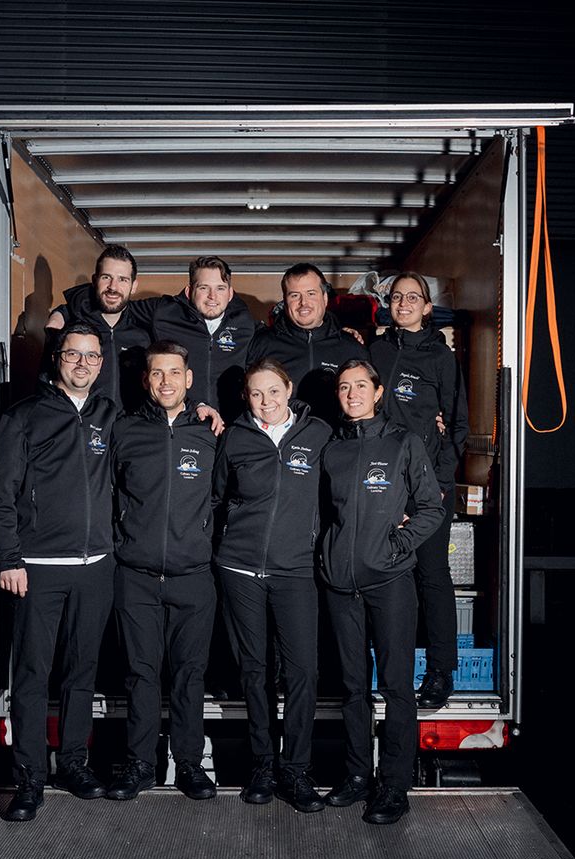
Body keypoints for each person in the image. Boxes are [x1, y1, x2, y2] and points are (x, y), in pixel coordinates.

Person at [0, 324, 119, 822]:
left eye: (91, 356)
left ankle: (76, 767)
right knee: (32, 676)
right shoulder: (23, 417)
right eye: (73, 355)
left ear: (101, 364)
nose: (82, 363)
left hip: (96, 567)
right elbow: (0, 496)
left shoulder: (110, 415)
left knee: (82, 672)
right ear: (57, 359)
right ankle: (29, 779)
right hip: (38, 569)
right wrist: (10, 558)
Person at [319, 358, 444, 825]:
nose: (351, 394)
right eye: (344, 387)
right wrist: (326, 558)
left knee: (395, 688)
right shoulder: (331, 449)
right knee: (351, 688)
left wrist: (399, 544)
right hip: (339, 586)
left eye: (360, 386)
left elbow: (431, 507)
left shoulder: (402, 443)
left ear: (377, 391)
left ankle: (393, 785)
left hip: (390, 582)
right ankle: (356, 776)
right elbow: (321, 516)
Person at [212, 359, 332, 812]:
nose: (266, 402)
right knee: (254, 670)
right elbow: (217, 496)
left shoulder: (318, 434)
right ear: (247, 397)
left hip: (297, 570)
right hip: (240, 570)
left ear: (289, 389)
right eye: (256, 394)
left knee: (303, 671)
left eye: (273, 392)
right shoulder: (236, 438)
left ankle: (296, 770)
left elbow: (340, 492)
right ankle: (263, 763)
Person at [106, 340, 220, 802]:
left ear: (189, 379)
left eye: (175, 373)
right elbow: (109, 492)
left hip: (194, 576)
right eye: (158, 373)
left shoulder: (210, 433)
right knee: (140, 673)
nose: (167, 381)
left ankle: (189, 765)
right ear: (146, 380)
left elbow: (225, 494)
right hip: (135, 574)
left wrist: (199, 536)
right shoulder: (125, 430)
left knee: (190, 674)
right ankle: (139, 766)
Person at [369, 271, 470, 708]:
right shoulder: (374, 350)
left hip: (427, 486)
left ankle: (441, 672)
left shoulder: (441, 358)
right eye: (397, 297)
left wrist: (441, 483)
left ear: (427, 308)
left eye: (414, 297)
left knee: (431, 575)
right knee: (392, 578)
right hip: (380, 484)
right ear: (388, 305)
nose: (404, 303)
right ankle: (394, 670)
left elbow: (458, 424)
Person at [246, 262, 368, 425]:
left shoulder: (351, 348)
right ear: (285, 301)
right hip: (281, 445)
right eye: (294, 295)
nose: (304, 303)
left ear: (324, 298)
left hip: (336, 443)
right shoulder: (261, 344)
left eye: (311, 293)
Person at [147, 256, 266, 421]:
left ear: (230, 293)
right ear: (189, 292)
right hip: (185, 423)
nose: (212, 296)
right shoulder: (164, 314)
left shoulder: (245, 323)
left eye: (220, 288)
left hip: (231, 425)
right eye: (204, 288)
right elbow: (119, 308)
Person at [43, 244, 153, 412]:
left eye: (122, 279)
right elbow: (46, 379)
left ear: (134, 285)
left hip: (132, 430)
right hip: (85, 427)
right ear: (94, 281)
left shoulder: (145, 332)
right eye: (106, 277)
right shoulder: (73, 329)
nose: (113, 287)